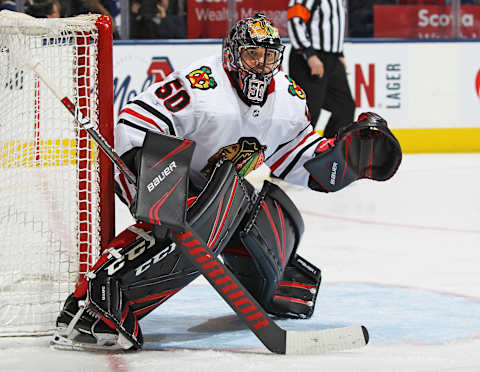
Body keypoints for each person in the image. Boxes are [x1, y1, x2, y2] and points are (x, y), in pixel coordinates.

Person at [50, 13, 402, 351]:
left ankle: (269, 285)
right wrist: (157, 179)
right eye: (252, 54)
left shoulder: (290, 99)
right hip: (149, 169)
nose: (261, 65)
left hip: (213, 189)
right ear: (232, 55)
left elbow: (296, 158)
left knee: (260, 207)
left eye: (268, 57)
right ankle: (93, 303)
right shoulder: (201, 85)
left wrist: (341, 163)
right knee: (203, 213)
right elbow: (135, 121)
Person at [287, 0, 355, 137]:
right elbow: (295, 20)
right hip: (308, 59)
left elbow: (333, 25)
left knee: (344, 107)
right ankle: (295, 152)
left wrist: (339, 53)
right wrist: (309, 54)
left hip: (332, 58)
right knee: (310, 111)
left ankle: (329, 150)